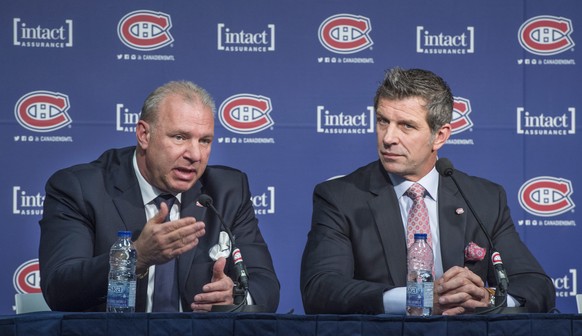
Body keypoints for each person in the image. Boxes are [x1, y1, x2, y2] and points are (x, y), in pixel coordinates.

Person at [300, 67, 555, 315]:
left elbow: (536, 287)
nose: (388, 137)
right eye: (382, 121)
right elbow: (321, 290)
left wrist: (485, 298)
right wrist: (417, 297)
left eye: (406, 126)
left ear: (440, 136)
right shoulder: (341, 197)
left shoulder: (484, 199)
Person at [39, 81, 280, 312]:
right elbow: (60, 289)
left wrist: (234, 298)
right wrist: (136, 258)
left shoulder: (227, 191)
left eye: (205, 140)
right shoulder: (81, 188)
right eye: (180, 137)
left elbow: (266, 285)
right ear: (144, 134)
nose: (195, 154)